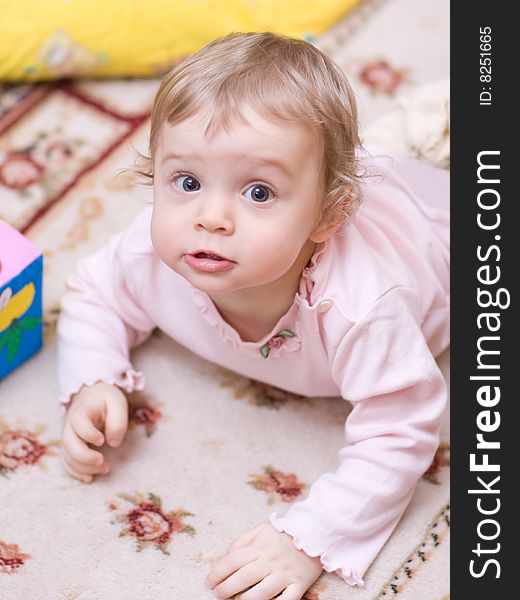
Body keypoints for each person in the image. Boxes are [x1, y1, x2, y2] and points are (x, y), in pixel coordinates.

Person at [56, 32, 449, 599]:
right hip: (373, 177)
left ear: (326, 218)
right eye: (187, 182)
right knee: (371, 150)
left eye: (258, 193)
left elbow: (403, 427)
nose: (210, 217)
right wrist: (93, 374)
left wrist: (313, 536)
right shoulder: (150, 254)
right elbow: (93, 290)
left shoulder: (364, 309)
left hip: (449, 220)